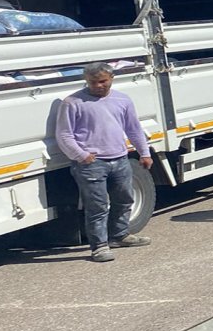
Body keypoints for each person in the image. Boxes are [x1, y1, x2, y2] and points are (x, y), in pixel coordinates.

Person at [55, 62, 154, 263]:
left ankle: (120, 235)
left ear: (111, 79)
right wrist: (81, 155)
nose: (98, 86)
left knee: (125, 199)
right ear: (86, 80)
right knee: (97, 206)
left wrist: (144, 152)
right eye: (93, 82)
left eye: (103, 81)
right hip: (91, 164)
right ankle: (99, 247)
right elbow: (64, 134)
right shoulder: (72, 102)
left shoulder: (122, 100)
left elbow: (133, 128)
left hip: (120, 158)